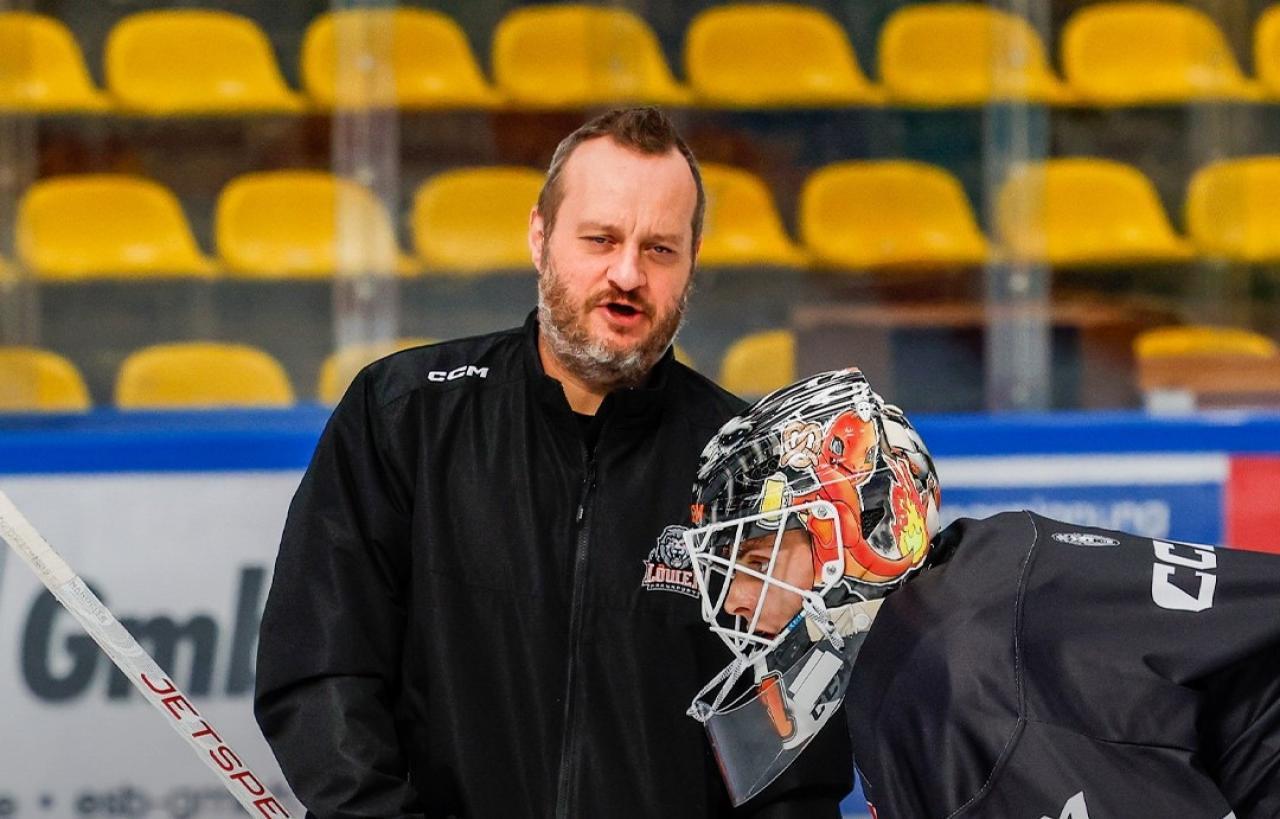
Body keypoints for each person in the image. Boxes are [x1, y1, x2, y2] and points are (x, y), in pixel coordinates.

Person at [254, 107, 852, 819]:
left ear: (692, 261)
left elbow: (791, 763)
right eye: (600, 238)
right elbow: (322, 672)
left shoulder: (757, 476)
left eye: (659, 249)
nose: (626, 273)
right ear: (540, 236)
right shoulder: (404, 415)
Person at [680, 367, 1280, 818]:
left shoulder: (964, 690)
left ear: (864, 529)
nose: (733, 601)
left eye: (757, 560)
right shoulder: (975, 583)